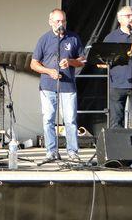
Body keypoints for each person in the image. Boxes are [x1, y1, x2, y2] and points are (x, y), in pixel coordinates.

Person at [30, 9, 85, 161]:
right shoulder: (44, 39)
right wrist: (48, 71)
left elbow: (83, 60)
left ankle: (72, 152)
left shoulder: (73, 38)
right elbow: (33, 64)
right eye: (58, 21)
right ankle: (51, 151)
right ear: (50, 22)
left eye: (63, 21)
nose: (61, 24)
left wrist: (71, 62)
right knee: (48, 119)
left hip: (68, 86)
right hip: (48, 86)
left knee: (70, 120)